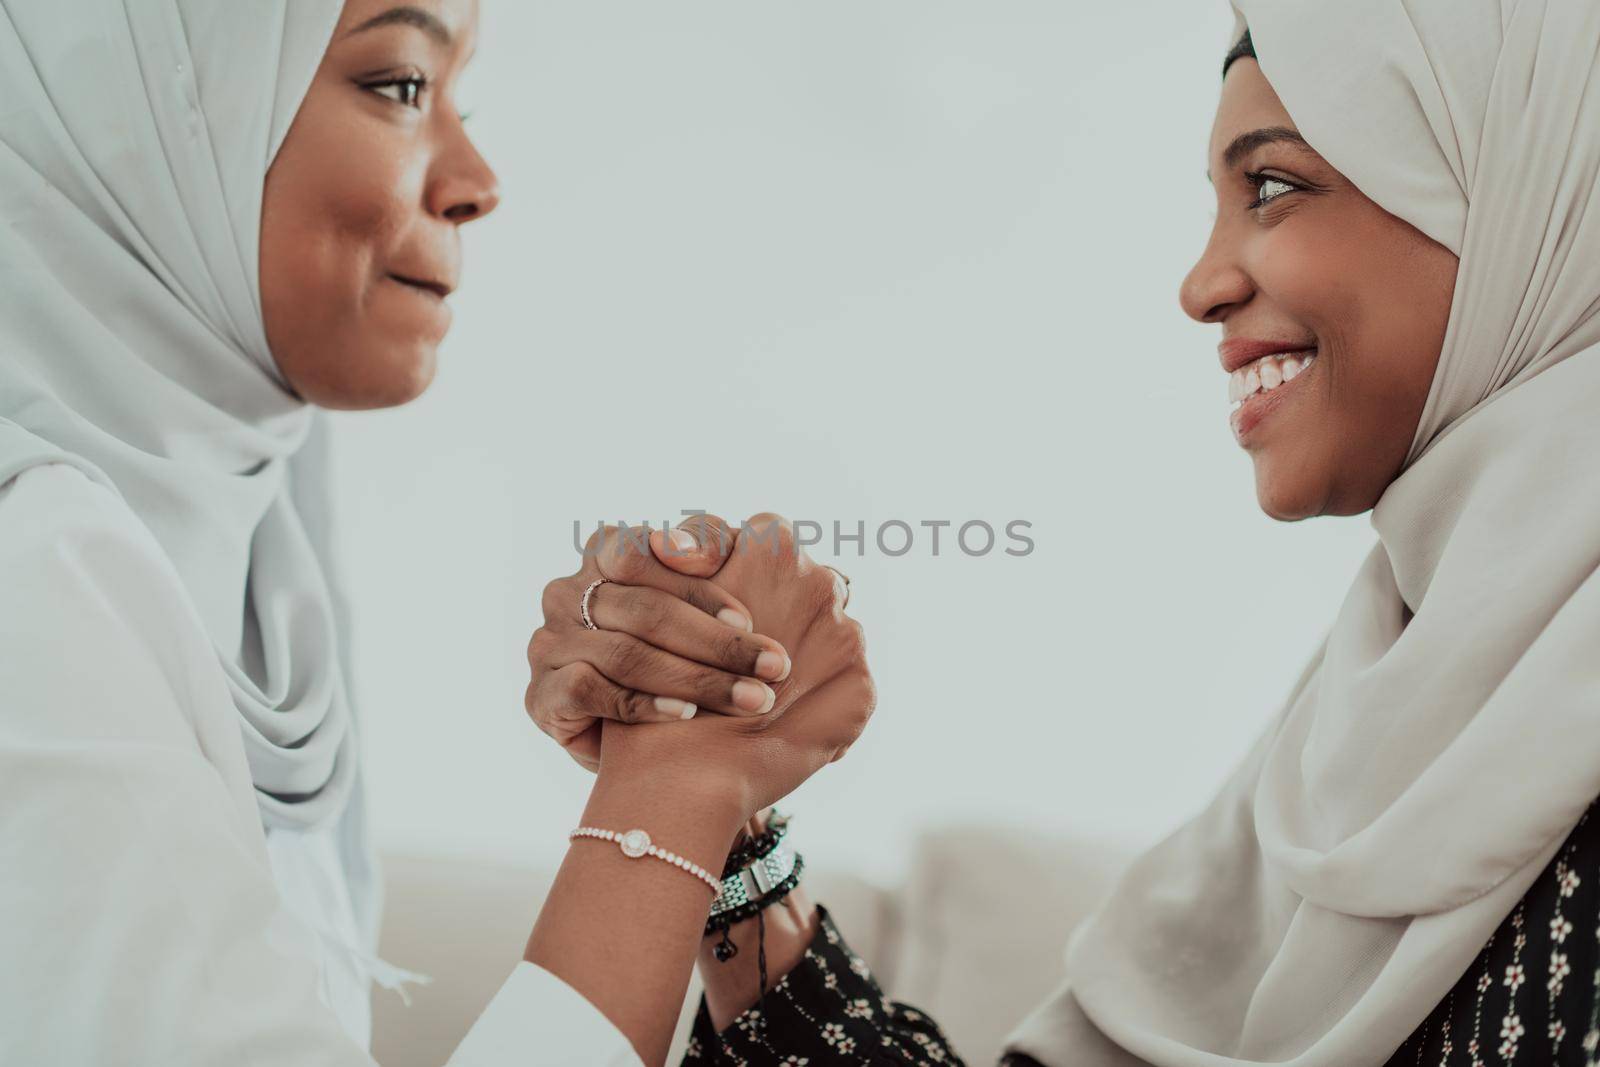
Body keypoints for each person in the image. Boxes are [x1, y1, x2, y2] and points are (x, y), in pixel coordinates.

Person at [525, 1, 1600, 1064]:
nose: (1201, 282)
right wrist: (723, 815)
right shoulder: (1380, 690)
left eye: (1271, 186)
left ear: (1521, 195)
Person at [0, 3, 869, 1066]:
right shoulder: (32, 572)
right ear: (134, 120)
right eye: (401, 86)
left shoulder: (251, 558)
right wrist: (674, 785)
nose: (476, 179)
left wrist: (726, 820)